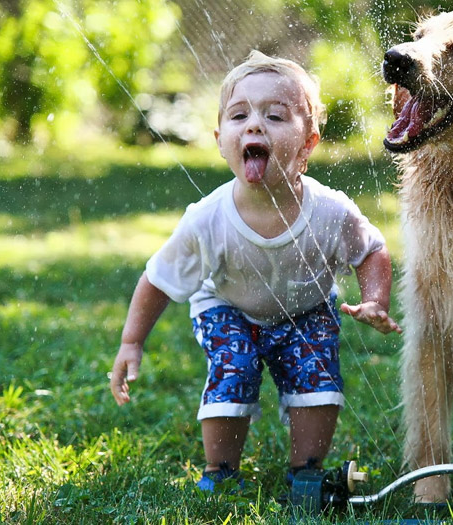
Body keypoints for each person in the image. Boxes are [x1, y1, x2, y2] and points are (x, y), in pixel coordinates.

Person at [108, 50, 401, 492]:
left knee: (318, 376)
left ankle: (306, 472)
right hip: (228, 307)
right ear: (221, 139)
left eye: (276, 116)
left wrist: (376, 299)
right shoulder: (206, 219)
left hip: (306, 308)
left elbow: (371, 250)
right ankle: (221, 472)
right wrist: (132, 342)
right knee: (235, 366)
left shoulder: (329, 210)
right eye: (239, 115)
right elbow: (158, 279)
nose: (254, 124)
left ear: (308, 144)